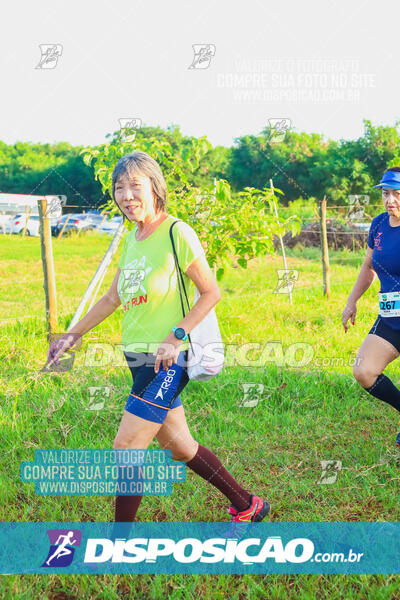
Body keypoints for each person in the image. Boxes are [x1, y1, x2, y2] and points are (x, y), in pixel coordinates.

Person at [47, 151, 271, 529]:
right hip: (137, 360)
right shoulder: (133, 239)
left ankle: (121, 543)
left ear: (155, 187)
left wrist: (176, 335)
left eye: (135, 185)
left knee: (127, 447)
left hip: (168, 360)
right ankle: (248, 504)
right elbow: (113, 298)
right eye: (120, 188)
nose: (126, 195)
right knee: (180, 446)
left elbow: (210, 292)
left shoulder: (176, 232)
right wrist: (74, 334)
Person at [342, 166, 400, 447]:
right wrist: (352, 301)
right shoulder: (378, 225)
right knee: (364, 371)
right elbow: (368, 266)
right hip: (390, 318)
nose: (390, 200)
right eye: (386, 193)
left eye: (397, 193)